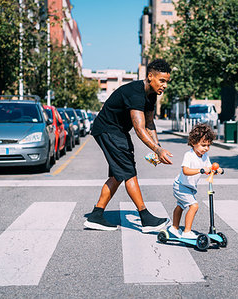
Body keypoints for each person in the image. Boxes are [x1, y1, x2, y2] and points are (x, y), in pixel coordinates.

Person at [84, 59, 173, 232]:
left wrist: (158, 146)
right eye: (162, 81)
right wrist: (157, 149)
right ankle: (145, 217)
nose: (165, 85)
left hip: (117, 131)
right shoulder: (135, 93)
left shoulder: (152, 94)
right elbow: (139, 129)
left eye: (167, 82)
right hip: (108, 129)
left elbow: (149, 123)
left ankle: (96, 215)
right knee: (128, 171)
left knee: (119, 174)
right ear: (150, 76)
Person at [167, 123, 223, 239]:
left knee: (180, 206)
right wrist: (201, 170)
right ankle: (187, 232)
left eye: (208, 145)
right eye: (203, 145)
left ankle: (174, 227)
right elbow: (186, 170)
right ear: (193, 142)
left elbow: (209, 168)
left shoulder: (205, 155)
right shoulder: (189, 155)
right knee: (194, 206)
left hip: (190, 187)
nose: (206, 148)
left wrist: (217, 170)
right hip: (180, 186)